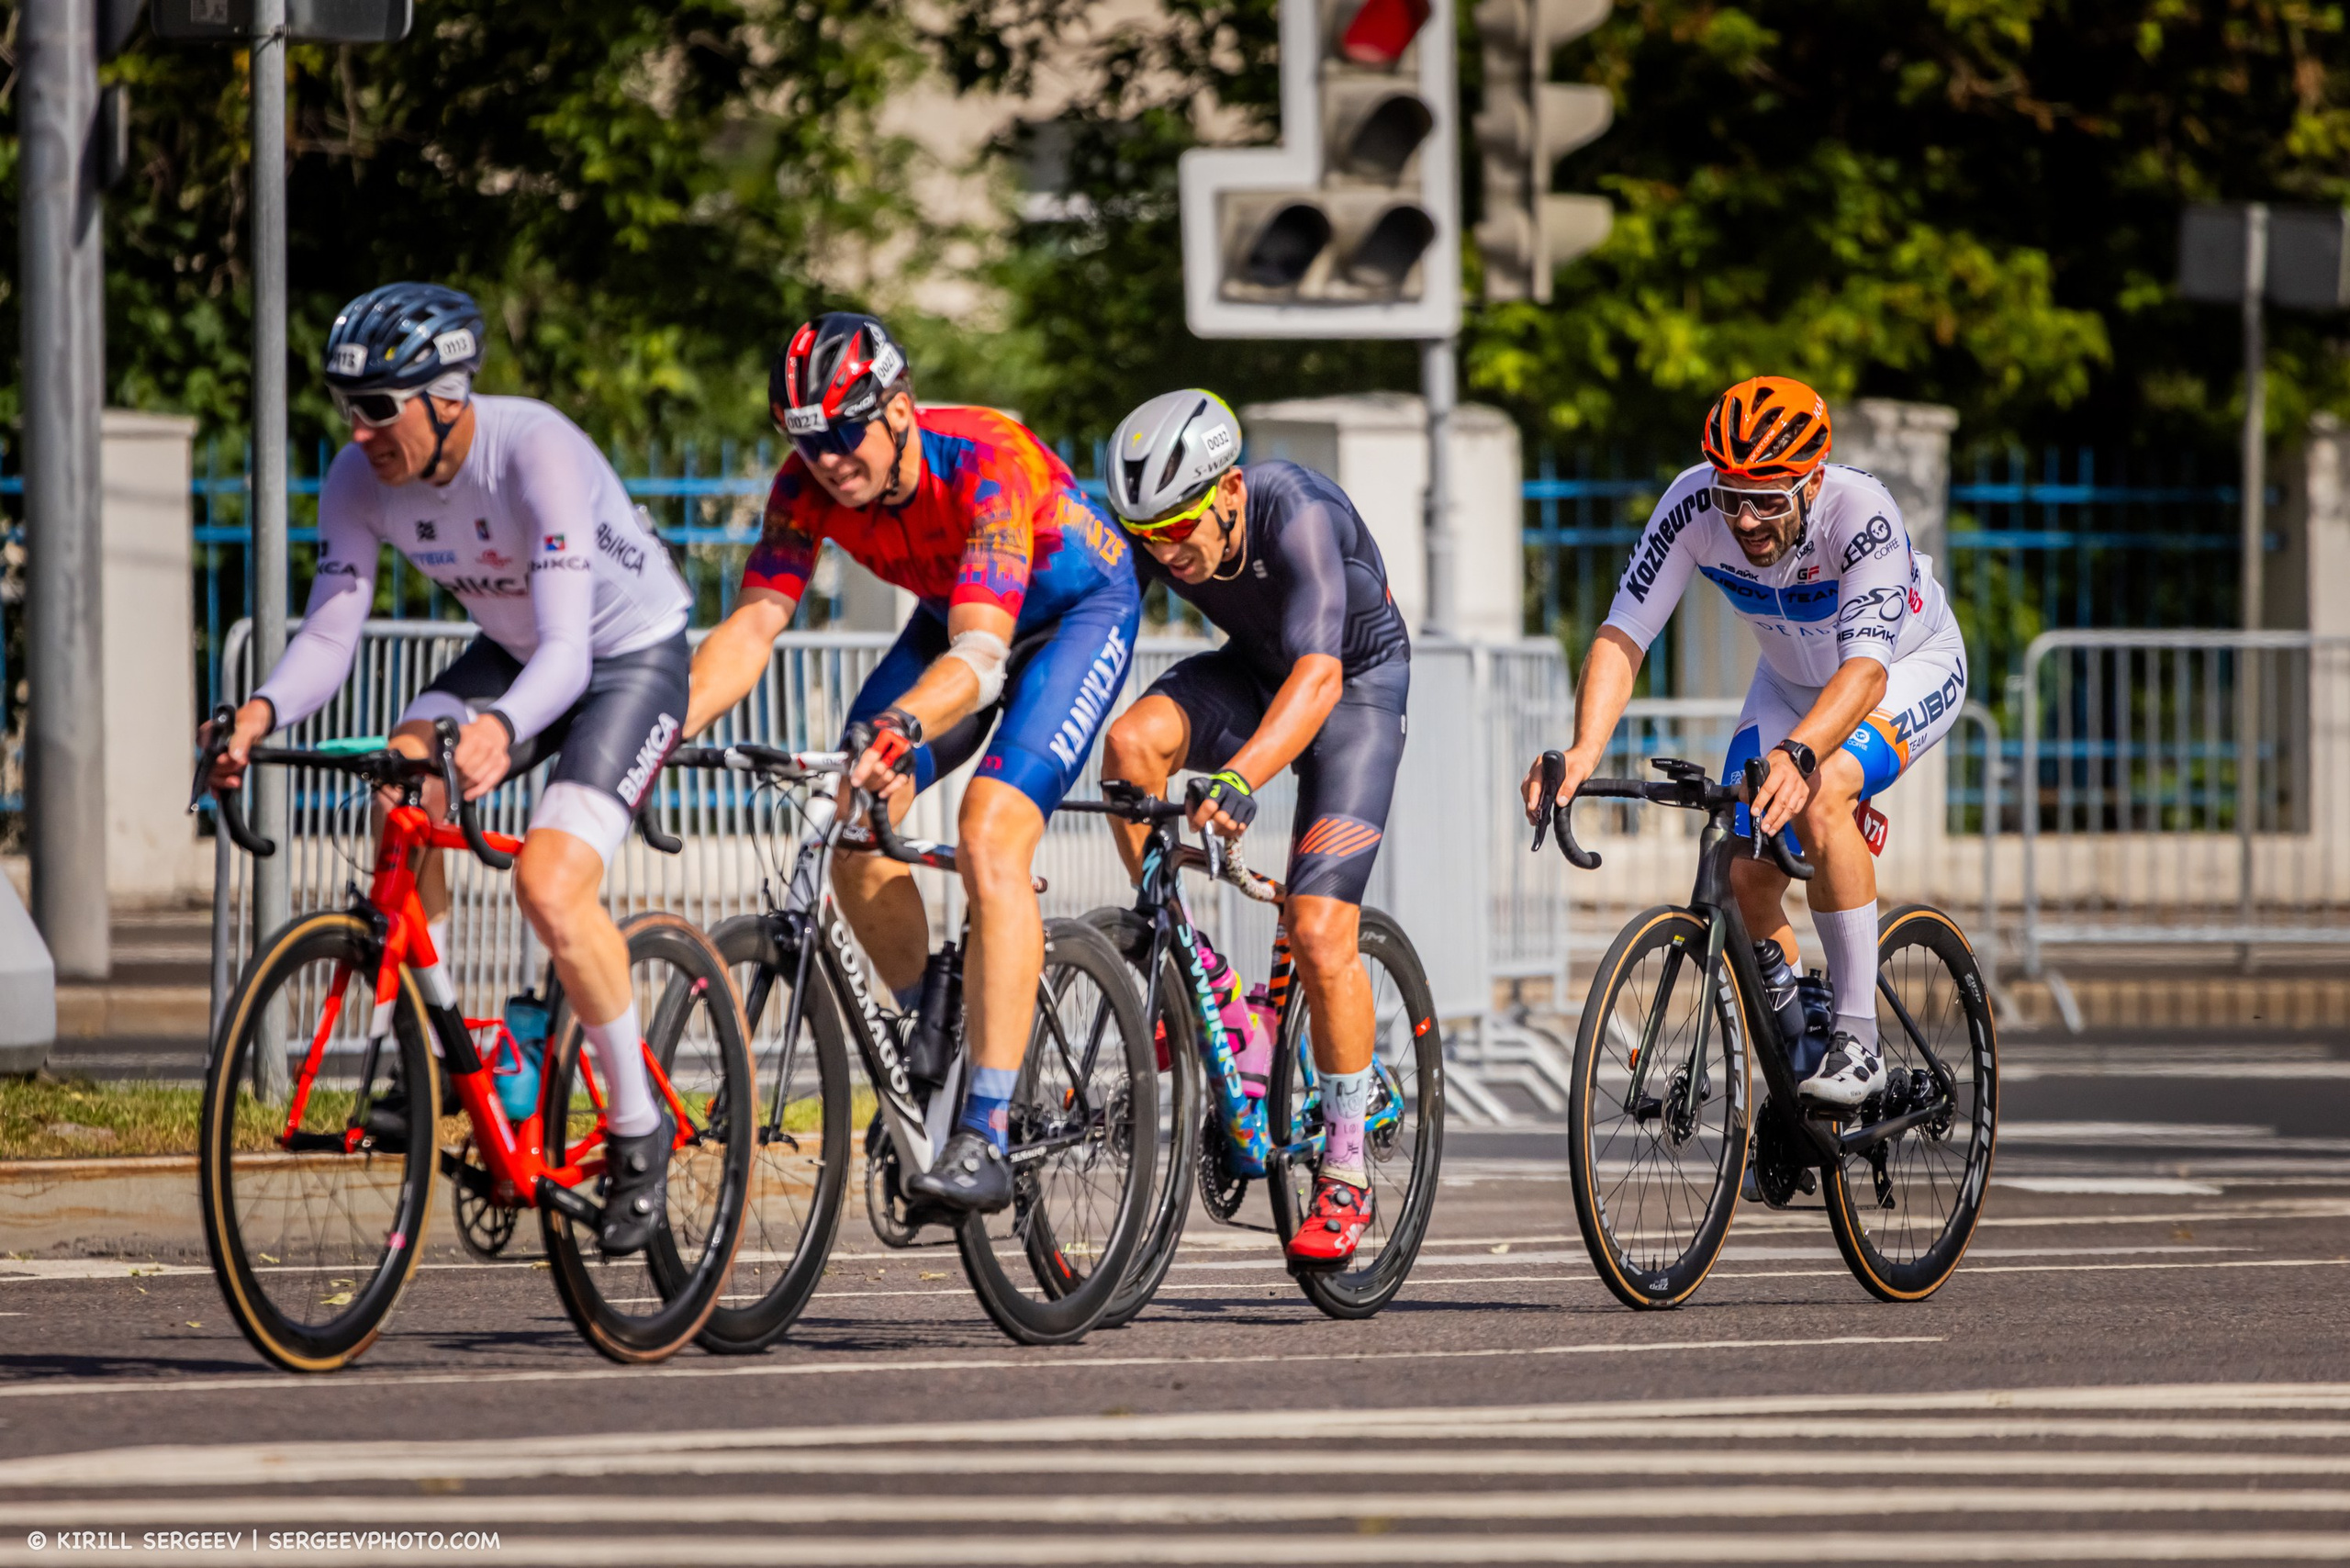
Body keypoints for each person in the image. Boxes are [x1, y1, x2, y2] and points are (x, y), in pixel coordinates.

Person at [204, 283, 695, 1255]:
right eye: (348, 405)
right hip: (516, 654)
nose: (361, 429)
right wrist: (258, 712)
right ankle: (431, 1070)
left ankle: (640, 1133)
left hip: (624, 655)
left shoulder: (534, 451)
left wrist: (502, 729)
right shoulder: (359, 475)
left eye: (380, 407)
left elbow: (567, 653)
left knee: (551, 886)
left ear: (448, 397)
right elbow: (330, 631)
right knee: (400, 771)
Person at [684, 313, 1141, 1214]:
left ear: (898, 409)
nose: (828, 459)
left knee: (990, 831)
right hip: (955, 616)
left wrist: (898, 722)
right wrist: (663, 726)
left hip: (1070, 617)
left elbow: (977, 664)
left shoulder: (984, 459)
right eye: (805, 439)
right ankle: (927, 1035)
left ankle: (986, 1128)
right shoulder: (805, 484)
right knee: (852, 813)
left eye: (846, 431)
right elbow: (751, 628)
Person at [1523, 375, 1967, 1104]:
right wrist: (1581, 753)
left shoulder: (1862, 516)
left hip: (1901, 668)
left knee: (1821, 801)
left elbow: (1863, 676)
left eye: (1767, 499)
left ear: (1813, 481)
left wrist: (1801, 756)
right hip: (1789, 683)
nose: (1746, 519)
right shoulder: (1694, 505)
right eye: (1733, 496)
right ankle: (1801, 1058)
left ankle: (1859, 1040)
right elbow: (1623, 636)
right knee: (1741, 871)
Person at [1094, 389, 1411, 1271]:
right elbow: (1096, 644)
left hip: (1353, 693)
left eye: (1181, 526)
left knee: (1316, 928)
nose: (1167, 552)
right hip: (1254, 675)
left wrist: (1240, 777)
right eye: (1146, 532)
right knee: (1129, 748)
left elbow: (1317, 676)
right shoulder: (1158, 533)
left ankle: (1345, 1170)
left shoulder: (1294, 509)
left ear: (1230, 490)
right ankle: (1207, 985)